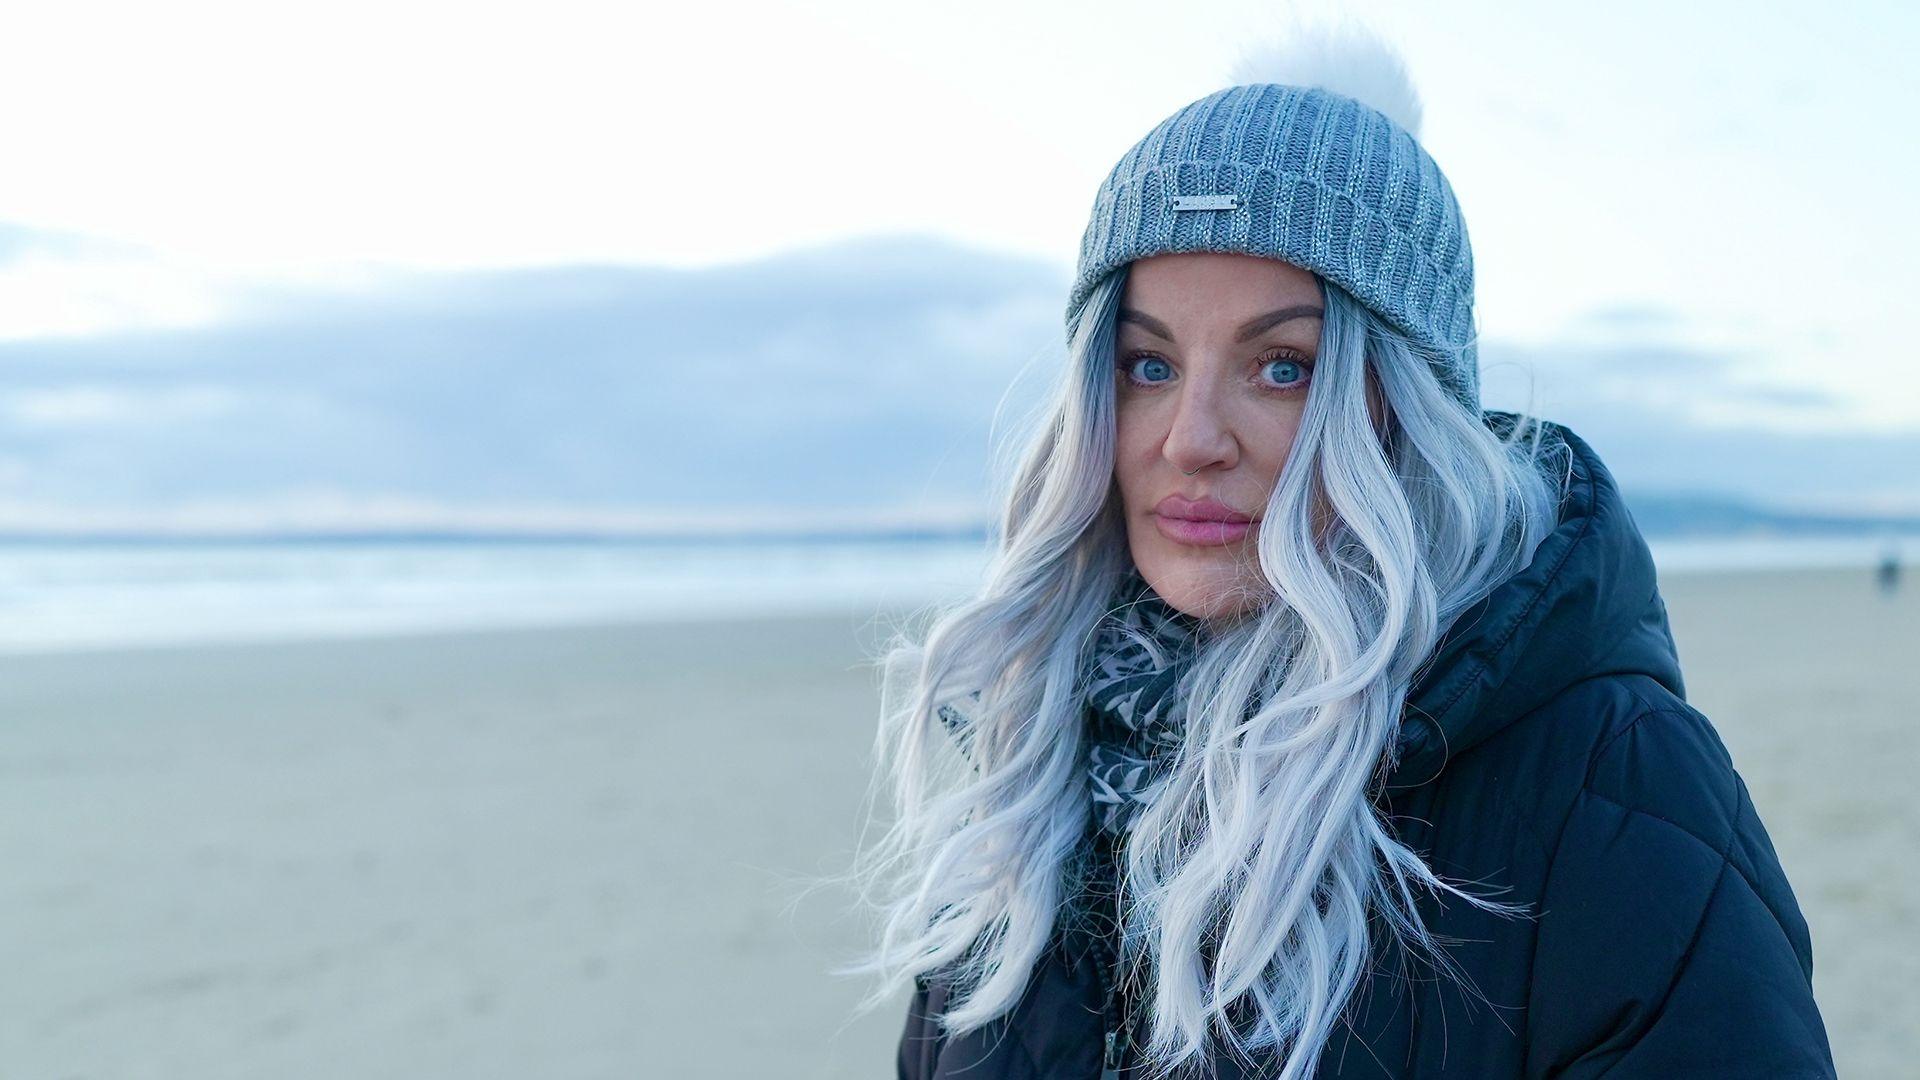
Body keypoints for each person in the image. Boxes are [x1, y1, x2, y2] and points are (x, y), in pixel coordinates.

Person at [837, 20, 1836, 1080]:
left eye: (1284, 367)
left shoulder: (1612, 782)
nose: (1192, 439)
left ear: (1408, 411)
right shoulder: (1038, 775)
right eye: (1147, 364)